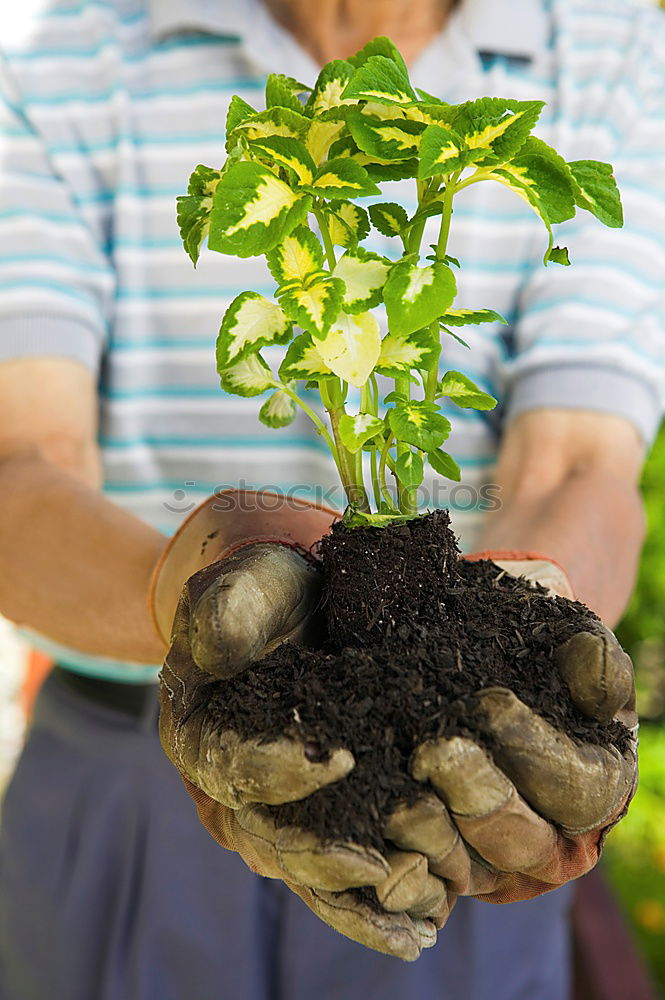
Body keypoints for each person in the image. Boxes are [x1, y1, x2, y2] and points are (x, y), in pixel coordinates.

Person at [0, 0, 663, 997]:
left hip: (453, 794)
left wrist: (541, 628)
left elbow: (573, 463)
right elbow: (21, 460)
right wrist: (193, 601)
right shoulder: (62, 50)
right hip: (129, 758)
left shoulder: (608, 48)